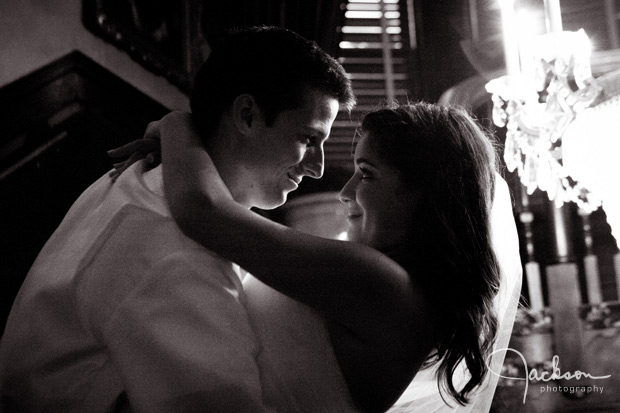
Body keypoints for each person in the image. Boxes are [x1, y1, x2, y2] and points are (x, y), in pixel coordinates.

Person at [0, 26, 355, 412]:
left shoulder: (142, 177)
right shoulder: (179, 248)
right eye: (308, 138)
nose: (318, 169)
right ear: (248, 115)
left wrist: (175, 125)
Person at [123, 101, 521, 412]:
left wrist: (176, 123)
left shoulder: (381, 284)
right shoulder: (401, 295)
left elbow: (203, 211)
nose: (346, 191)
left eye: (366, 174)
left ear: (425, 195)